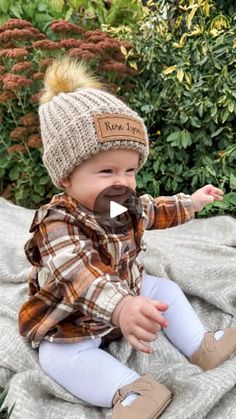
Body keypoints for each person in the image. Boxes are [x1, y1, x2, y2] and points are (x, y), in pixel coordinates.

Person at [18, 58, 236, 419]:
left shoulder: (116, 206)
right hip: (74, 317)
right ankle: (131, 391)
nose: (123, 182)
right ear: (66, 177)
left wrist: (191, 203)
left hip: (127, 294)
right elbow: (79, 273)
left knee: (163, 289)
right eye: (106, 171)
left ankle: (201, 345)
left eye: (130, 170)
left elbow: (150, 211)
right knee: (56, 356)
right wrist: (120, 308)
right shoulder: (58, 222)